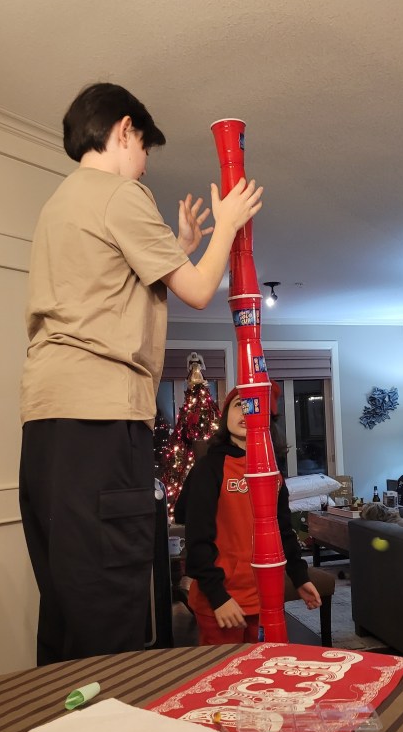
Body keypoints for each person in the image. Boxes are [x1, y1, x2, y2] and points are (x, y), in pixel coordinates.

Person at [19, 82, 263, 664]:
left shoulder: (60, 204)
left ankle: (64, 719)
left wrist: (178, 245)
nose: (146, 163)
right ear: (124, 130)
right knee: (112, 607)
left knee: (68, 605)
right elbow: (198, 290)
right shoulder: (120, 193)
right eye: (145, 147)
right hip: (101, 421)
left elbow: (111, 288)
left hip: (48, 427)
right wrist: (228, 222)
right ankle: (114, 720)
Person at [182, 385, 321, 644]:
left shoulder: (273, 472)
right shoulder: (209, 468)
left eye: (256, 407)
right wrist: (218, 597)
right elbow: (197, 538)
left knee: (267, 665)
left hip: (265, 600)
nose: (247, 413)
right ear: (226, 415)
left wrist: (299, 577)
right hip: (221, 601)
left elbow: (283, 530)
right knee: (226, 667)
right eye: (239, 405)